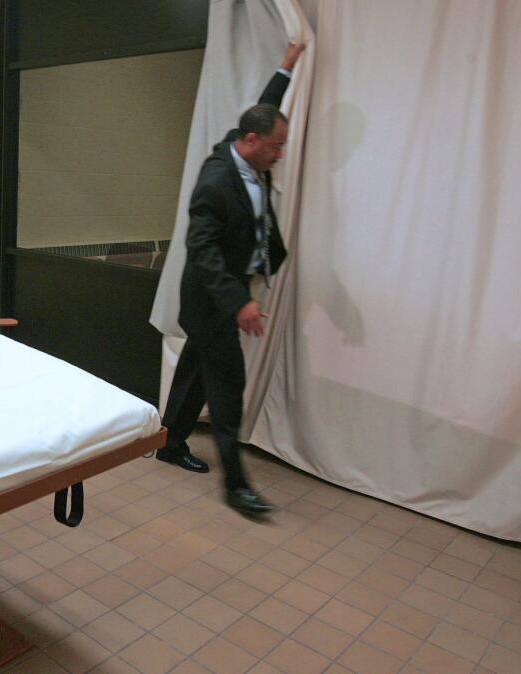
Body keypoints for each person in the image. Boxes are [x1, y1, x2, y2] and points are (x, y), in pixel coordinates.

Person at [158, 41, 304, 515]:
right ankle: (236, 485)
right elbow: (201, 250)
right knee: (227, 386)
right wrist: (238, 300)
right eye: (277, 146)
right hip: (211, 298)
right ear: (251, 142)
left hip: (222, 297)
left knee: (195, 370)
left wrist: (284, 67)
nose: (281, 154)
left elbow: (264, 112)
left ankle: (170, 440)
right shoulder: (217, 180)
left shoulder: (251, 148)